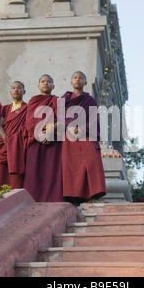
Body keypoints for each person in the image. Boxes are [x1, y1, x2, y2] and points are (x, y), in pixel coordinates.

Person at [61, 71, 106, 205]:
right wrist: (70, 126)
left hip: (85, 135)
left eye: (81, 78)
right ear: (71, 82)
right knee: (71, 166)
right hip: (69, 137)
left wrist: (80, 128)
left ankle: (93, 195)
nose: (77, 80)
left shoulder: (90, 100)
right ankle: (73, 197)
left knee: (92, 161)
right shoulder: (65, 99)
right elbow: (59, 115)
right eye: (75, 78)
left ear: (85, 82)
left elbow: (94, 120)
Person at [23, 74, 64, 202]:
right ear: (38, 85)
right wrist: (41, 133)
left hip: (54, 139)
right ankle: (32, 198)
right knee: (34, 170)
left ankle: (54, 198)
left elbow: (63, 120)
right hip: (36, 139)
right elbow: (29, 122)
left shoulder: (58, 101)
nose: (46, 83)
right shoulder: (33, 101)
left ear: (53, 86)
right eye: (43, 81)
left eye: (49, 81)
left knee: (52, 171)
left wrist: (49, 131)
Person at [0, 81, 28, 189]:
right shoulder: (5, 108)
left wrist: (14, 139)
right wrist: (5, 138)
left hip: (18, 145)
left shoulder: (27, 108)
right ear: (10, 92)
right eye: (13, 88)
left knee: (15, 177)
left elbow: (27, 127)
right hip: (3, 145)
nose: (16, 90)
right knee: (0, 172)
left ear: (24, 91)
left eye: (19, 88)